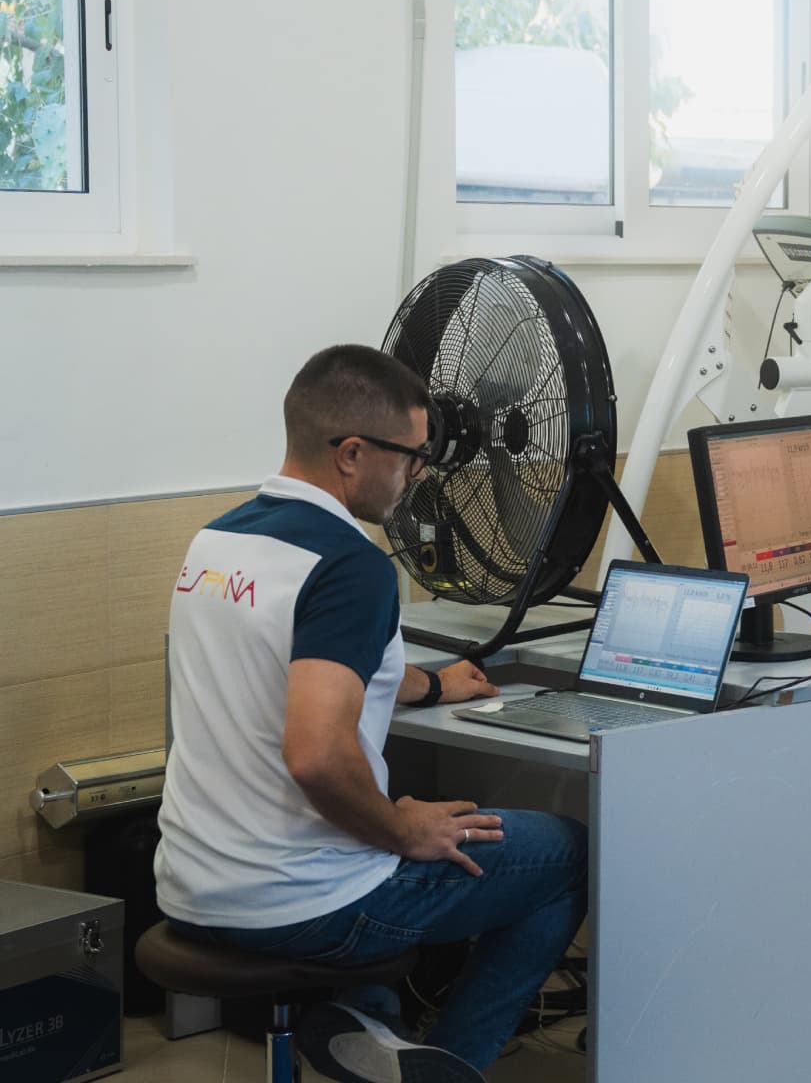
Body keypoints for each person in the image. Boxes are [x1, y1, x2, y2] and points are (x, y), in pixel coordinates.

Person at [154, 345, 587, 1083]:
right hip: (297, 902)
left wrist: (428, 685)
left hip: (192, 883)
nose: (419, 476)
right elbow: (318, 755)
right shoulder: (350, 564)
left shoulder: (220, 541)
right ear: (352, 453)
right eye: (413, 457)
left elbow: (302, 667)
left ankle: (367, 1028)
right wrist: (398, 827)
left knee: (392, 831)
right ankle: (450, 1064)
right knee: (568, 852)